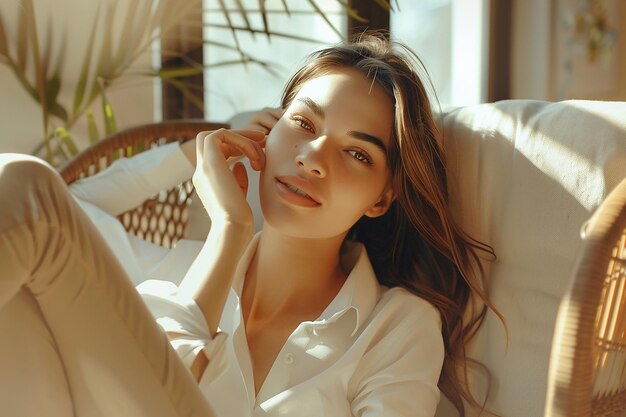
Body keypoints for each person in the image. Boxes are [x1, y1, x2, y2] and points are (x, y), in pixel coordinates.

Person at [0, 33, 499, 417]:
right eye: (302, 124)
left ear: (382, 197)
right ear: (266, 133)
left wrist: (228, 230)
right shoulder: (183, 272)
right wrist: (210, 191)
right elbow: (56, 207)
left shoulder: (397, 325)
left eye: (356, 153)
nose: (312, 159)